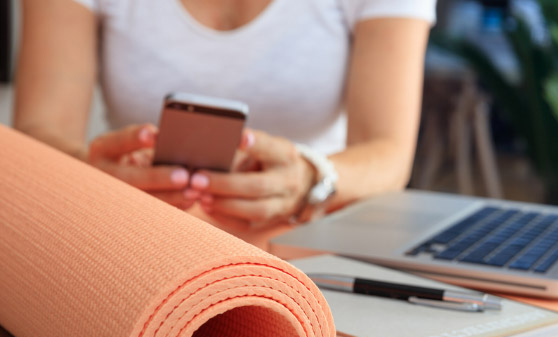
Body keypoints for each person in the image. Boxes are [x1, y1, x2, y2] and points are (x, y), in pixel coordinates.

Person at [14, 0, 435, 229]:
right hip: (138, 232)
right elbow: (37, 133)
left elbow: (389, 152)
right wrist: (91, 172)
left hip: (310, 239)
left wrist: (310, 176)